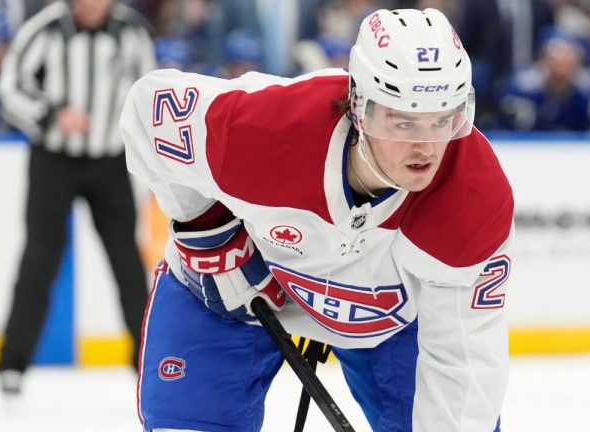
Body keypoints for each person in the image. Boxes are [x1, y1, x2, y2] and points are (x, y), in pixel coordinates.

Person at [121, 8, 513, 432]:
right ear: (360, 107)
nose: (426, 148)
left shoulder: (474, 198)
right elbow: (148, 110)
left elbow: (463, 360)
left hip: (386, 320)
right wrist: (208, 231)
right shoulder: (267, 129)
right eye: (403, 121)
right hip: (234, 289)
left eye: (443, 120)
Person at [0, 0, 155, 394]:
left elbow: (151, 92)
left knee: (127, 263)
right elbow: (10, 86)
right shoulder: (45, 28)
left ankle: (148, 358)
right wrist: (51, 114)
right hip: (54, 161)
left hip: (110, 162)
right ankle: (12, 363)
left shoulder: (131, 31)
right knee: (40, 257)